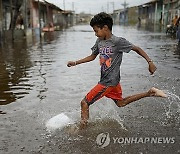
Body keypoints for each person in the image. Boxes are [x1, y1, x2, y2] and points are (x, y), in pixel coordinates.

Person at [67, 12, 167, 129]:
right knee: (121, 103)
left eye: (96, 30)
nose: (95, 34)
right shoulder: (99, 41)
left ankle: (82, 131)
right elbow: (92, 56)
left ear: (105, 28)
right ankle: (150, 93)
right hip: (111, 81)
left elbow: (137, 49)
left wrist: (150, 62)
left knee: (84, 103)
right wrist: (75, 62)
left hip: (108, 82)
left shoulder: (117, 42)